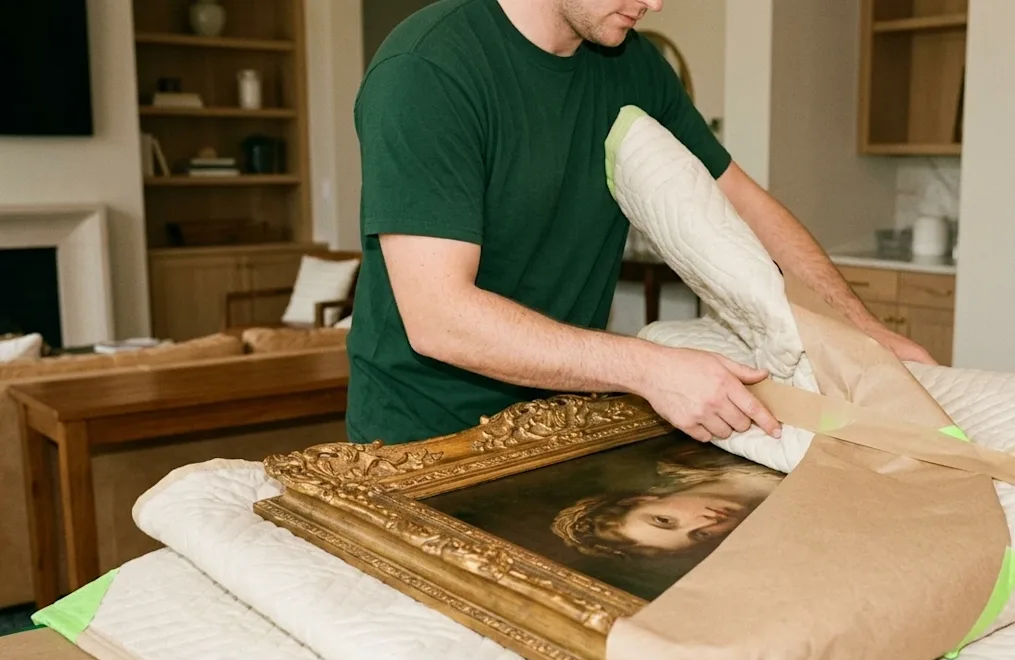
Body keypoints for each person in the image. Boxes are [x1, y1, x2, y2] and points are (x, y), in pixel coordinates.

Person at [347, 0, 935, 447]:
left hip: (562, 420)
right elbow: (439, 318)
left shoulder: (633, 63)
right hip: (420, 440)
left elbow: (746, 205)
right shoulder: (426, 69)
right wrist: (647, 369)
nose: (655, 2)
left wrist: (862, 330)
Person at [552, 443, 783, 557]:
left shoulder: (691, 453)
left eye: (664, 520)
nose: (705, 522)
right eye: (700, 535)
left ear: (638, 500)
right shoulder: (786, 521)